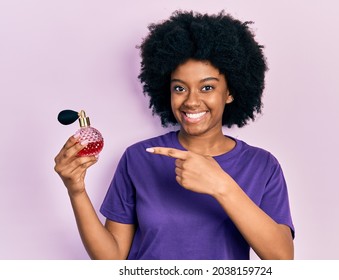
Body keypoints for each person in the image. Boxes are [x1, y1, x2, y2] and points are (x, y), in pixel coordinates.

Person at [54, 10, 295, 260]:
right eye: (179, 88)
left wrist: (221, 185)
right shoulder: (139, 157)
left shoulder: (262, 166)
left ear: (230, 92)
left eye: (207, 87)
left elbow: (282, 259)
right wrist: (76, 191)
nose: (191, 101)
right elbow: (111, 260)